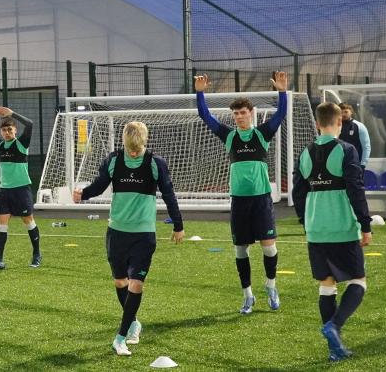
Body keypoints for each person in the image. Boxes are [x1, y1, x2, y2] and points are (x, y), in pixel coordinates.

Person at [73, 121, 185, 357]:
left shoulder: (156, 163)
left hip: (144, 234)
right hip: (117, 232)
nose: (133, 153)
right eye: (129, 149)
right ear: (124, 143)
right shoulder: (113, 160)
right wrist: (83, 194)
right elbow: (100, 185)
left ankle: (120, 337)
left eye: (137, 149)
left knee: (136, 283)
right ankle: (133, 322)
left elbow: (169, 195)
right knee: (121, 283)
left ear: (144, 142)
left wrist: (178, 224)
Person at [194, 71, 288, 314]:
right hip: (239, 201)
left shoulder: (262, 133)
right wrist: (200, 93)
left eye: (243, 113)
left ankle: (271, 286)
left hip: (261, 200)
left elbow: (280, 114)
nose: (239, 117)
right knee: (241, 249)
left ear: (251, 114)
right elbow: (205, 116)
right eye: (235, 114)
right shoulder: (229, 136)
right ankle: (248, 295)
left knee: (268, 246)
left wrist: (281, 91)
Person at [293, 102, 372, 362]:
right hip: (341, 227)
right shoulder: (346, 150)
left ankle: (334, 349)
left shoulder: (305, 152)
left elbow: (298, 192)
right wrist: (365, 224)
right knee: (358, 281)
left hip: (316, 229)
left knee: (326, 285)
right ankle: (334, 326)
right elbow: (355, 189)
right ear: (339, 123)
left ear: (317, 124)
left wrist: (306, 222)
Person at [0, 106, 41, 270]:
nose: (7, 132)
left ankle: (36, 254)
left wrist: (12, 113)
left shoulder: (21, 143)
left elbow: (30, 124)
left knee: (28, 222)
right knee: (1, 225)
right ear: (1, 132)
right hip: (4, 191)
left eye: (10, 129)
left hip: (21, 190)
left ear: (15, 130)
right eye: (4, 130)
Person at [338, 103, 371, 170]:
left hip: (355, 165)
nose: (343, 114)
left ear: (351, 112)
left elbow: (366, 147)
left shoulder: (359, 126)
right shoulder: (335, 126)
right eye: (341, 112)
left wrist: (363, 164)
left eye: (346, 112)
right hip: (339, 165)